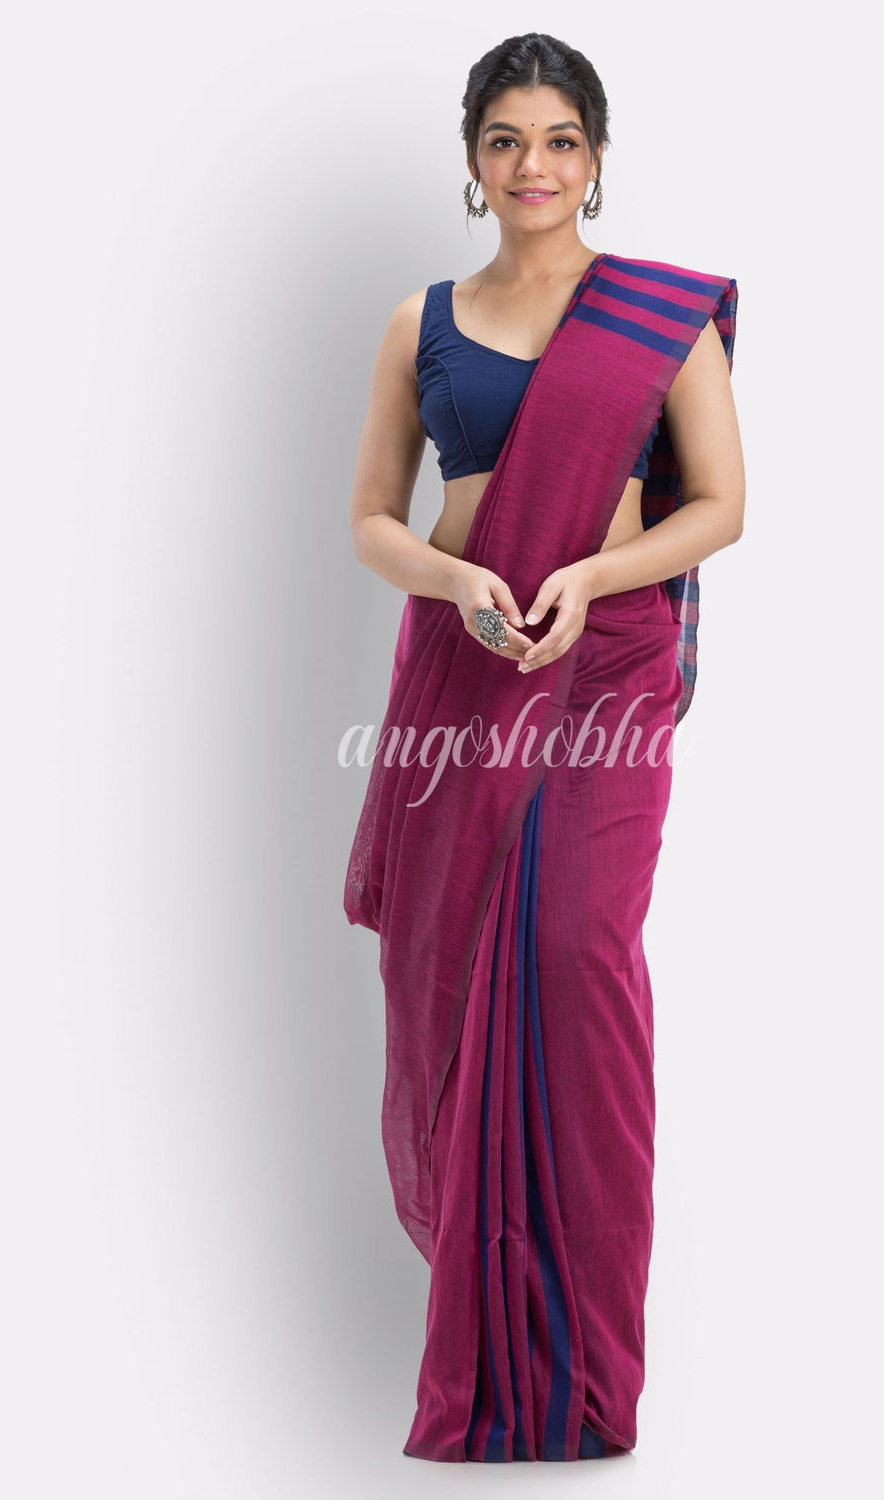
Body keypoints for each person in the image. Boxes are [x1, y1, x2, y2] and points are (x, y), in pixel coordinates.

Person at [342, 31, 745, 1462]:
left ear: (596, 155)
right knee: (453, 968)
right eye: (506, 140)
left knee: (579, 956)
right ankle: (487, 1353)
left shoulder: (660, 318)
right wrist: (460, 579)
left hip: (604, 666)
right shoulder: (423, 322)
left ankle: (586, 1364)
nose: (534, 166)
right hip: (467, 663)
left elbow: (722, 508)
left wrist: (589, 578)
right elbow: (373, 518)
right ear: (472, 159)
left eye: (560, 140)